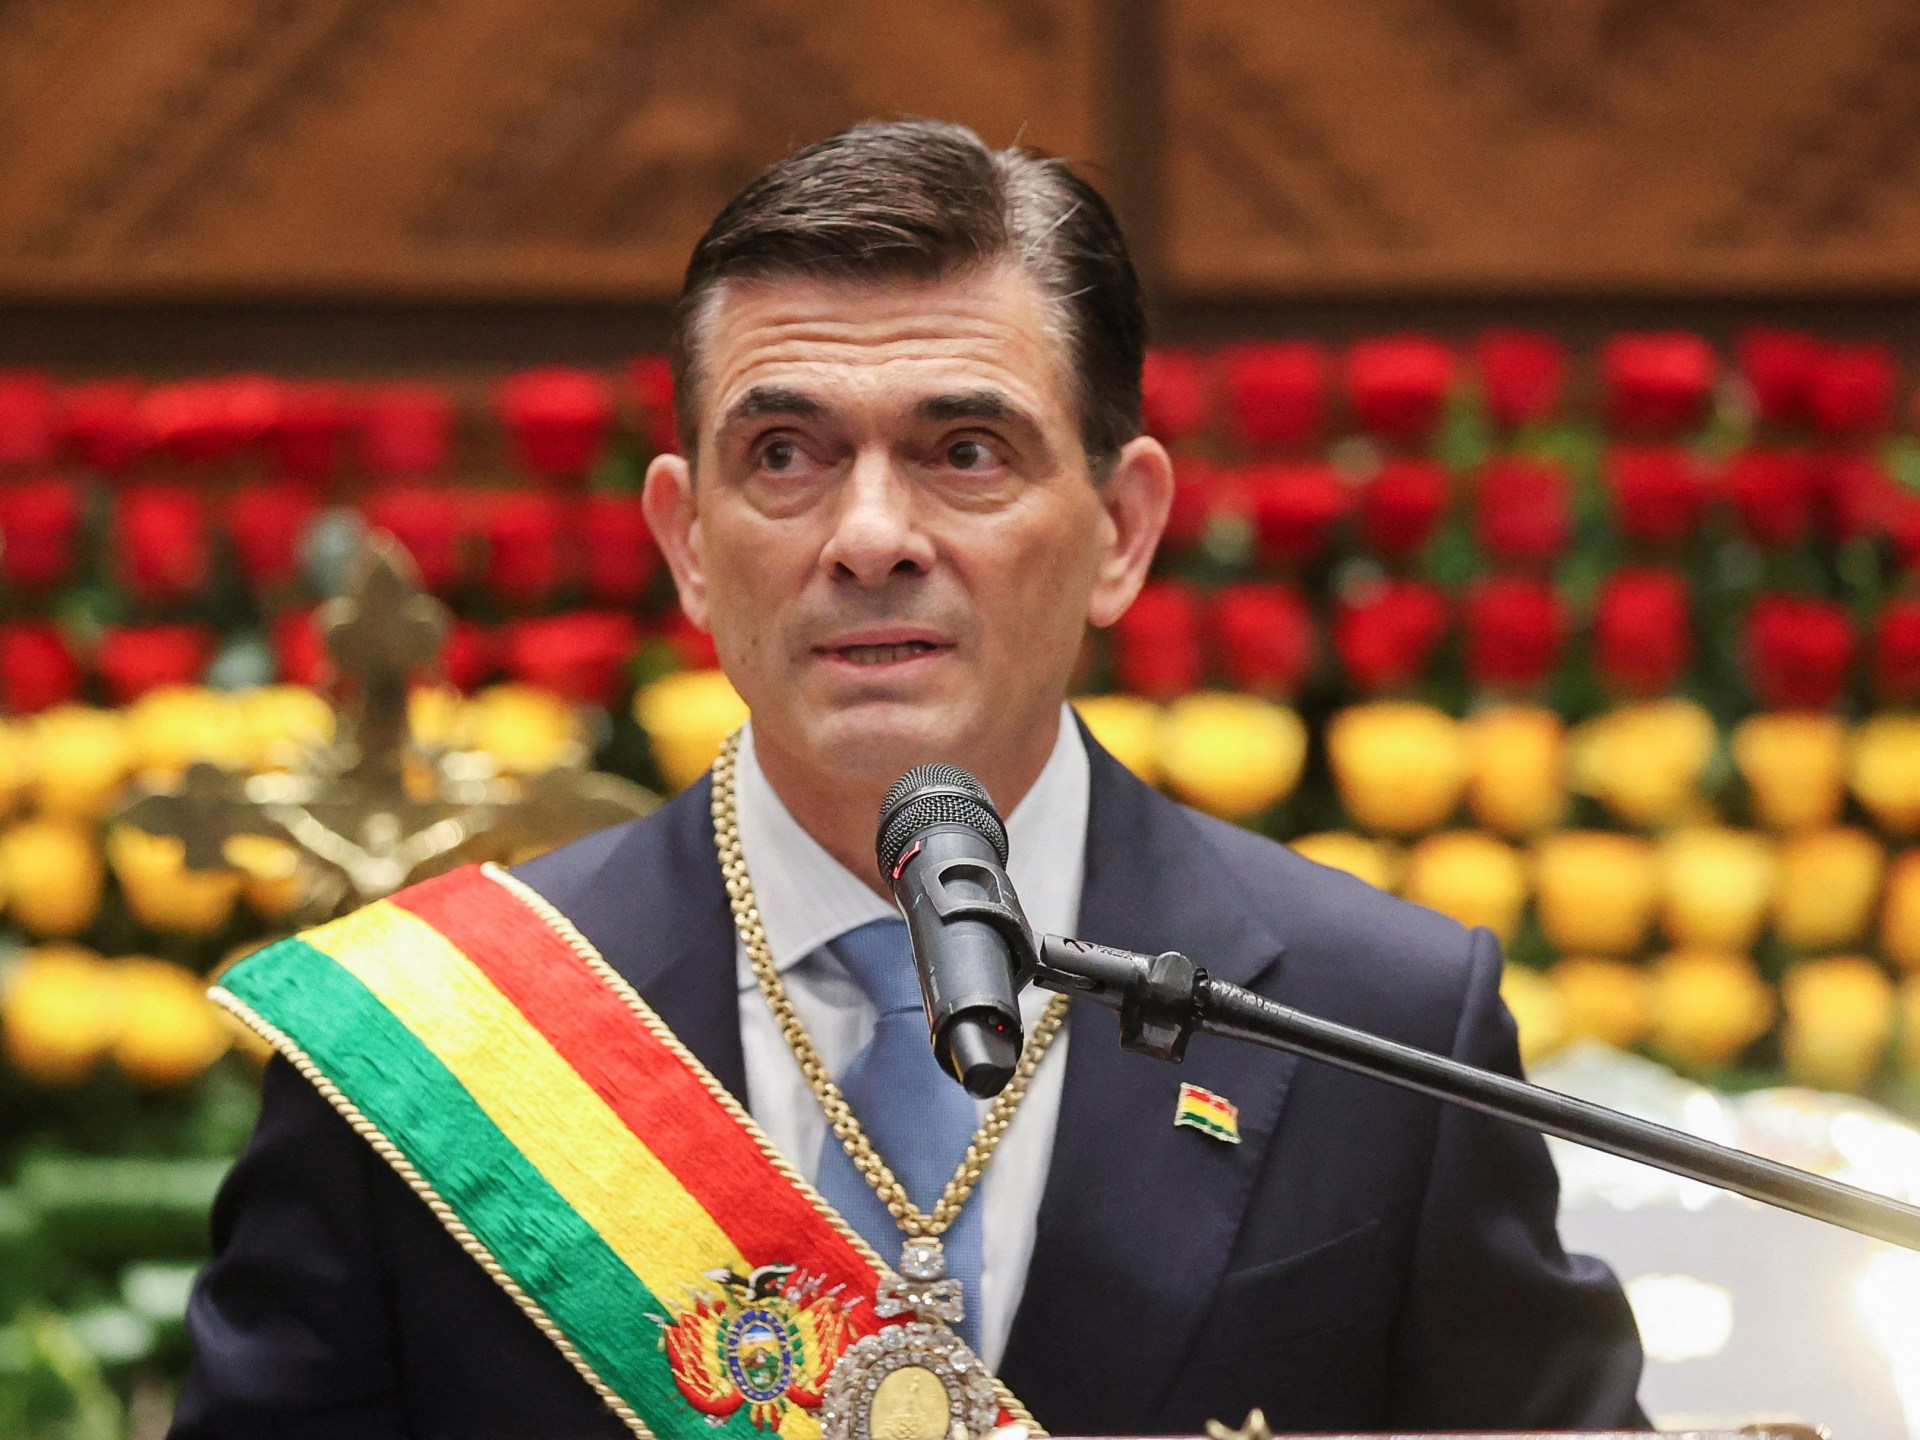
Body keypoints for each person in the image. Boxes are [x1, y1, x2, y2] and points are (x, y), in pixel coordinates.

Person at [172, 119, 1645, 1439]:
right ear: (689, 542)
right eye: (786, 454)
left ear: (1123, 529)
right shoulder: (433, 1044)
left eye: (966, 449)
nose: (871, 535)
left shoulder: (1377, 1022)